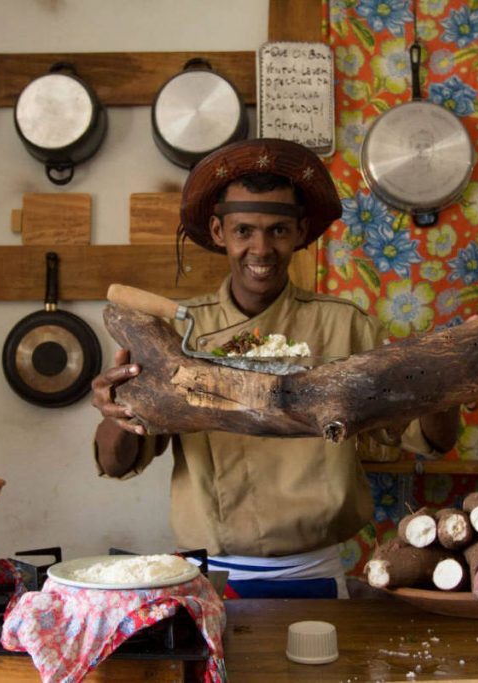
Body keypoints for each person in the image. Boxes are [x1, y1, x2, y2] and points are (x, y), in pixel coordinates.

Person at [91, 138, 458, 599]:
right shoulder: (177, 335)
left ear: (301, 232)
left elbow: (429, 440)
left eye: (278, 231)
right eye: (244, 230)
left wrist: (445, 386)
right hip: (206, 573)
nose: (261, 249)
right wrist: (115, 409)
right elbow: (116, 463)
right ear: (219, 232)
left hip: (316, 569)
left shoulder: (344, 327)